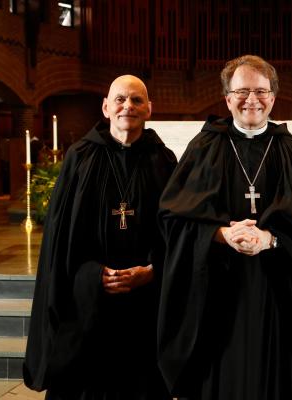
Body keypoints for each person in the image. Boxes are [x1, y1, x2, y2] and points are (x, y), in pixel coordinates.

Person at [157, 55, 292, 400]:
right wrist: (221, 234)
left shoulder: (290, 151)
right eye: (241, 91)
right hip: (216, 293)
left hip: (278, 294)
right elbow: (172, 218)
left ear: (273, 97)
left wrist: (271, 238)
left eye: (260, 91)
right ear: (227, 98)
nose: (251, 99)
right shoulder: (204, 147)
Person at [23, 75, 177, 400]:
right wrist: (94, 275)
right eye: (120, 99)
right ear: (106, 107)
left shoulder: (163, 162)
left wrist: (152, 271)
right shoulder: (80, 158)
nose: (128, 107)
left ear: (149, 109)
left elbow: (177, 236)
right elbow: (60, 240)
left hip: (144, 308)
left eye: (136, 100)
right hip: (89, 307)